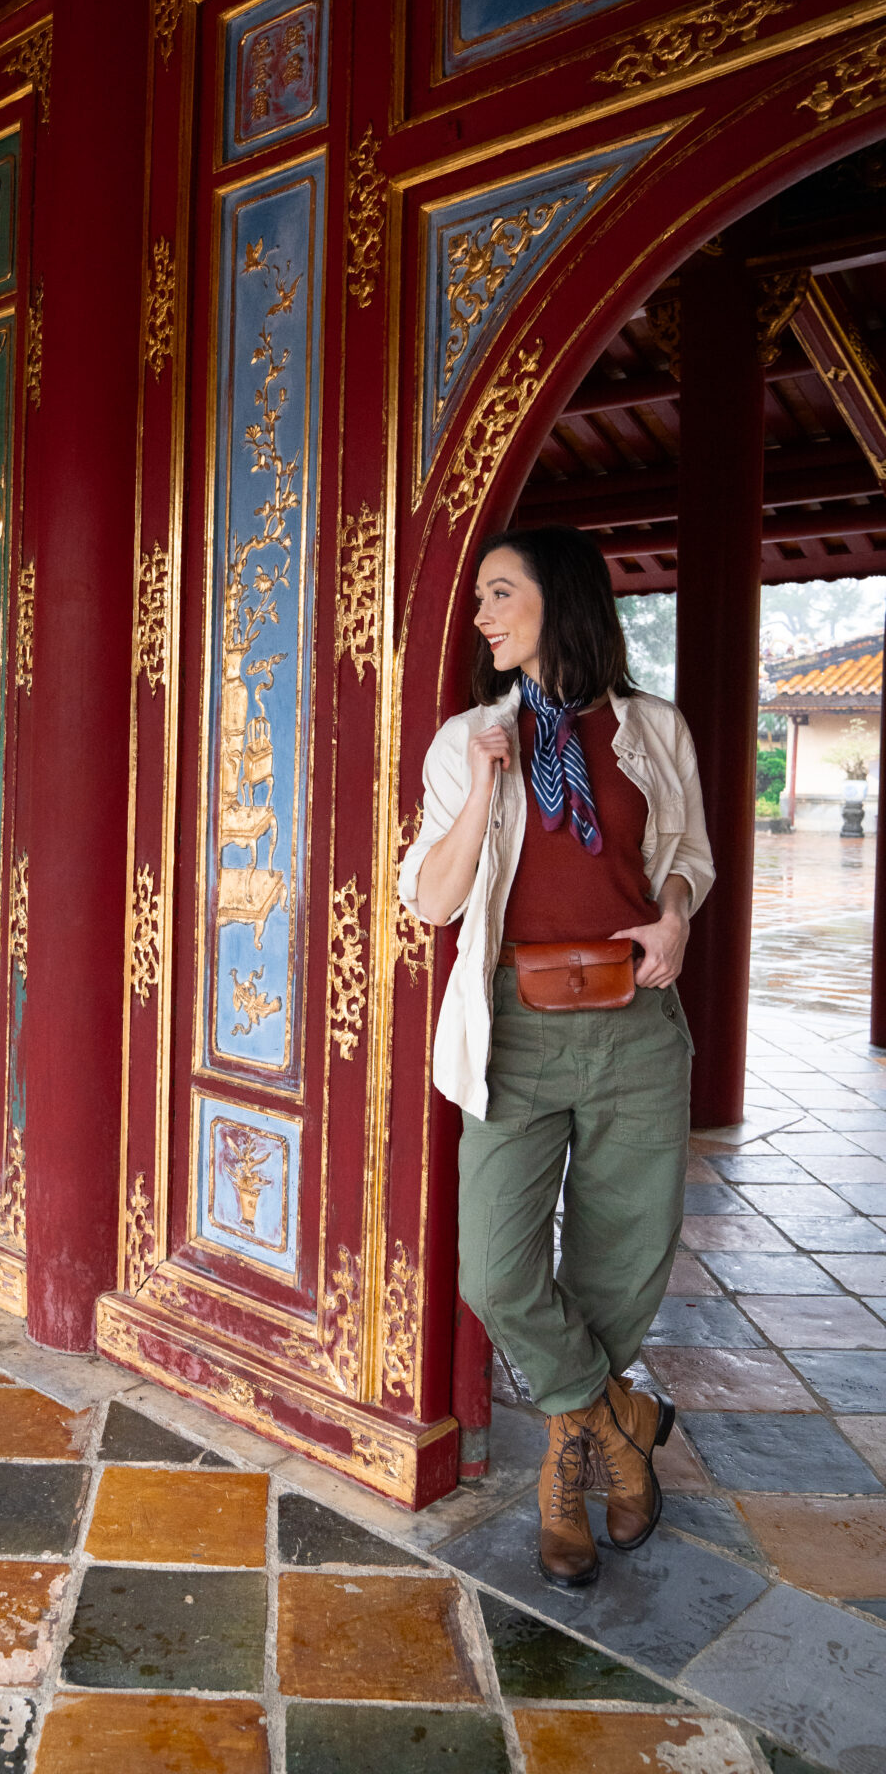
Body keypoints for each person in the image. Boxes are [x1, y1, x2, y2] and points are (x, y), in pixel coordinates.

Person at [398, 526, 713, 1588]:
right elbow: (431, 899)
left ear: (557, 600)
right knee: (494, 1263)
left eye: (499, 593)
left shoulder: (652, 727)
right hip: (513, 1024)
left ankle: (566, 1458)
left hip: (633, 1019)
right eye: (479, 598)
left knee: (622, 1255)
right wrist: (487, 784)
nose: (480, 615)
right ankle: (617, 1417)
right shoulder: (466, 738)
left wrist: (672, 922)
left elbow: (683, 862)